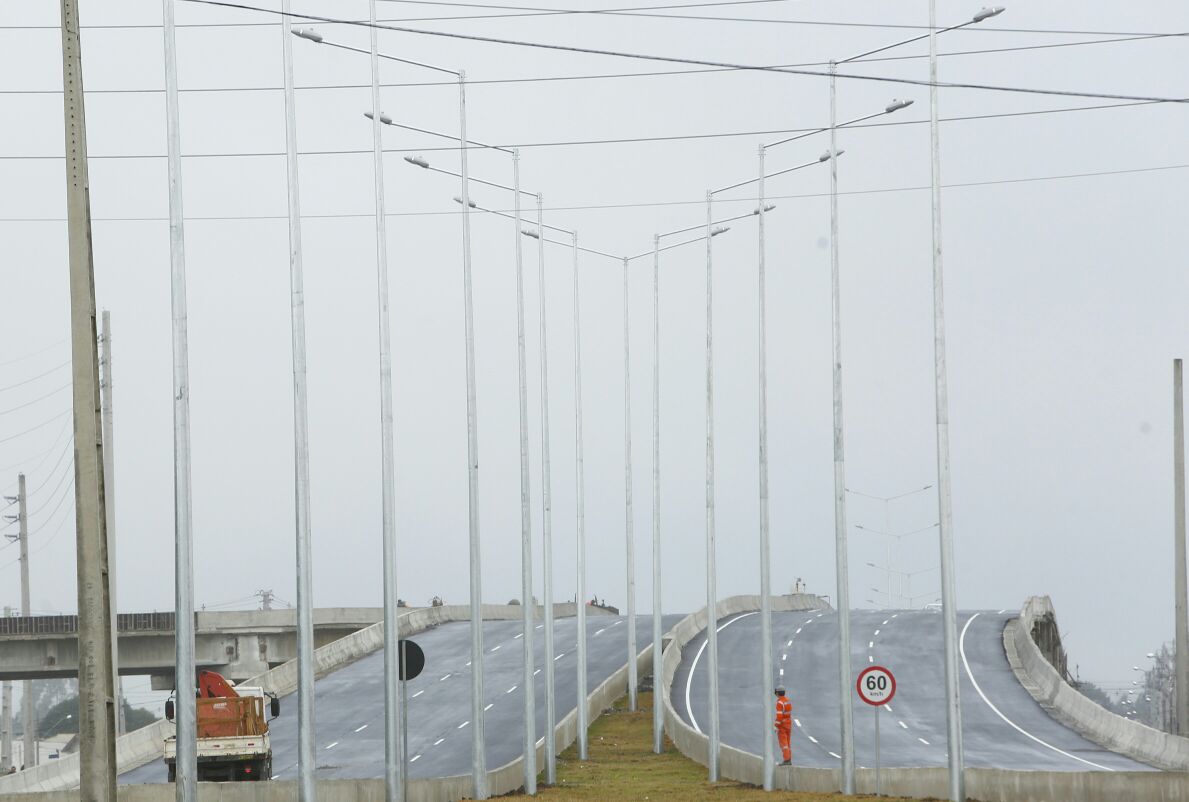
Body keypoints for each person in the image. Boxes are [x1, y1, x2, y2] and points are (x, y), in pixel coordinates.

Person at [774, 684, 792, 766]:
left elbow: (779, 716)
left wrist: (776, 725)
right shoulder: (787, 701)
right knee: (788, 742)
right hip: (788, 724)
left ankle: (787, 760)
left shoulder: (779, 703)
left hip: (782, 725)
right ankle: (789, 759)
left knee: (784, 743)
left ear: (777, 693)